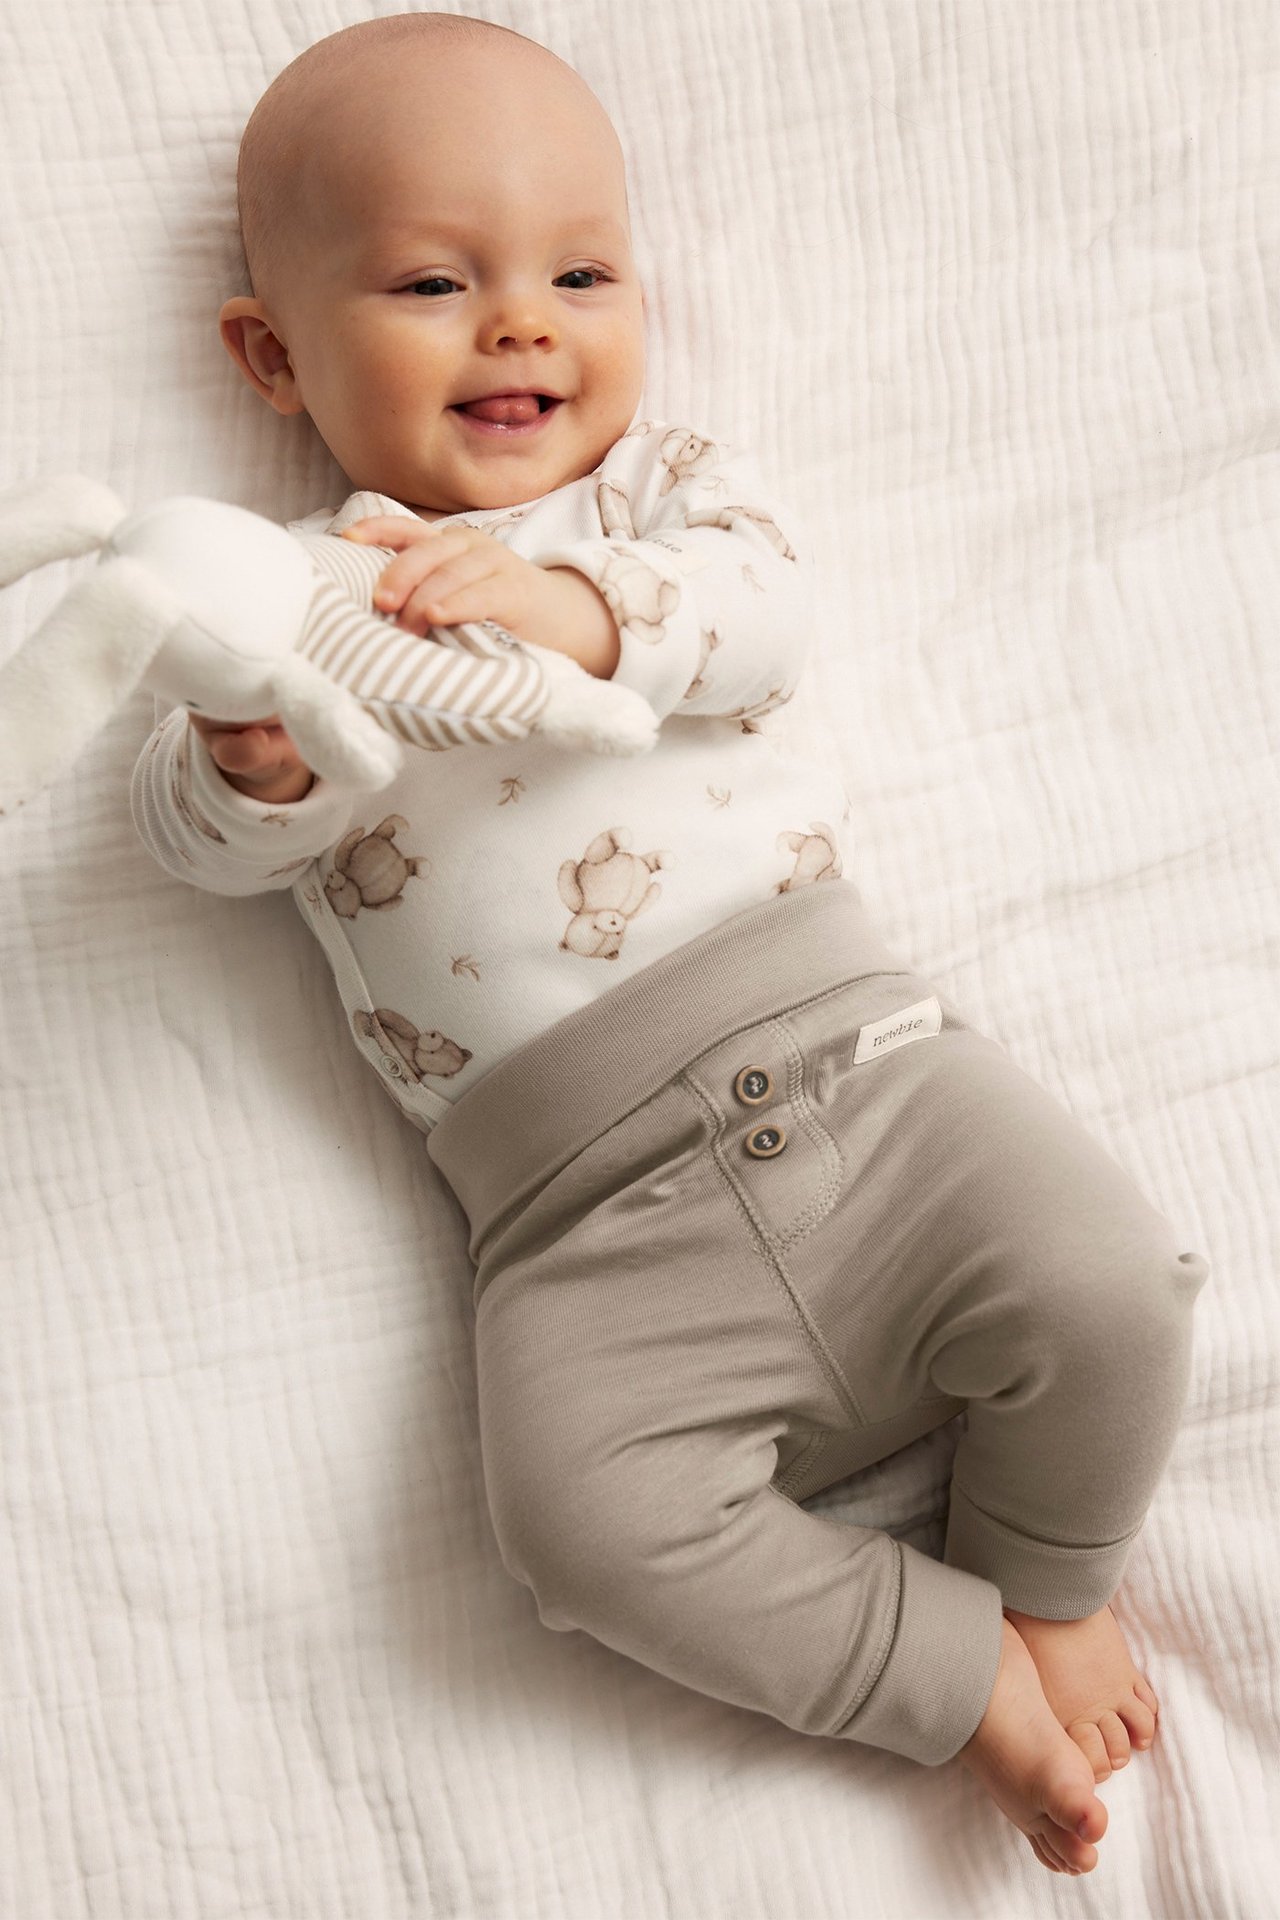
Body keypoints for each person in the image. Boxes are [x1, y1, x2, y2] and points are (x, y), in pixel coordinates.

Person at [130, 12, 1209, 1878]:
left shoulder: (660, 503)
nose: (521, 322)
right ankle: (945, 1671)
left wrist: (568, 604)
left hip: (870, 1087)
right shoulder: (286, 606)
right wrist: (249, 755)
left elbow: (767, 620)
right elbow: (197, 843)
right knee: (572, 1529)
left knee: (1112, 1281)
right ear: (272, 358)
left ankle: (1046, 1573)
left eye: (578, 272)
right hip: (582, 1232)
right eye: (431, 281)